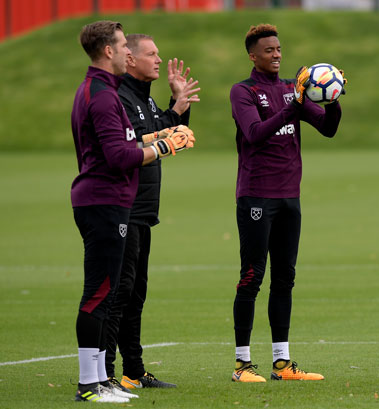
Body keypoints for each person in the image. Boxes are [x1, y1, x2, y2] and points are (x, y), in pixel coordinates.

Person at [71, 21, 193, 403]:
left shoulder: (102, 90)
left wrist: (168, 125)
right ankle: (93, 383)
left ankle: (106, 379)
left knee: (117, 293)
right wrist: (165, 147)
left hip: (114, 201)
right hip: (106, 201)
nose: (128, 51)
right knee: (103, 295)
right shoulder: (107, 95)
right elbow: (120, 155)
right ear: (109, 51)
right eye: (125, 46)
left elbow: (137, 137)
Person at [229, 24, 343, 383]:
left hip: (289, 198)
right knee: (251, 278)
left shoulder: (290, 91)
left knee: (285, 279)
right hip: (256, 196)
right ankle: (242, 365)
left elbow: (327, 128)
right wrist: (291, 108)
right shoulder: (243, 91)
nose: (276, 55)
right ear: (252, 55)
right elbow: (254, 134)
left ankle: (282, 363)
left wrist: (332, 98)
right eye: (268, 50)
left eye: (279, 49)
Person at [104, 33, 200, 392]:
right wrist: (173, 114)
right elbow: (137, 141)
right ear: (130, 59)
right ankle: (106, 373)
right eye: (152, 54)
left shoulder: (142, 99)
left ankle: (133, 370)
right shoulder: (121, 98)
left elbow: (166, 131)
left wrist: (178, 106)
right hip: (123, 207)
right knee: (120, 290)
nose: (159, 60)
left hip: (142, 210)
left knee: (135, 292)